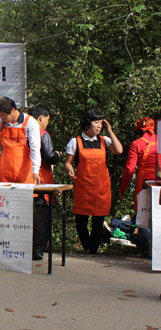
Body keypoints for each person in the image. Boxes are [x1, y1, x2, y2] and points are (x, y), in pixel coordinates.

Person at [0, 97, 42, 258]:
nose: (2, 119)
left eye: (4, 116)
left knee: (29, 212)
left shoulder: (30, 123)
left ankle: (36, 247)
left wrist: (36, 170)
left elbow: (35, 148)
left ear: (14, 110)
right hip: (6, 172)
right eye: (0, 116)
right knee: (6, 212)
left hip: (25, 174)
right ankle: (8, 243)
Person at [64, 109, 123, 255]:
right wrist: (70, 169)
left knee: (98, 223)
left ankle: (94, 251)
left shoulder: (105, 140)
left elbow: (119, 150)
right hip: (83, 187)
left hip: (101, 189)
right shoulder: (75, 141)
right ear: (87, 123)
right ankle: (87, 247)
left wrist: (110, 131)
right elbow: (68, 162)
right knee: (81, 222)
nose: (99, 126)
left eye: (101, 123)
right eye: (96, 122)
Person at [119, 117, 157, 258]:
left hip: (146, 184)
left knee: (144, 217)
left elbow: (129, 169)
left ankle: (147, 252)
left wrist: (123, 189)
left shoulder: (136, 144)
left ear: (138, 131)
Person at [29, 104, 61, 260]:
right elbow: (49, 155)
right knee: (42, 217)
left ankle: (31, 247)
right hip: (42, 180)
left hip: (26, 180)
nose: (47, 123)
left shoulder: (23, 131)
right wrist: (58, 156)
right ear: (41, 118)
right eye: (47, 119)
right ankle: (39, 247)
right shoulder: (43, 134)